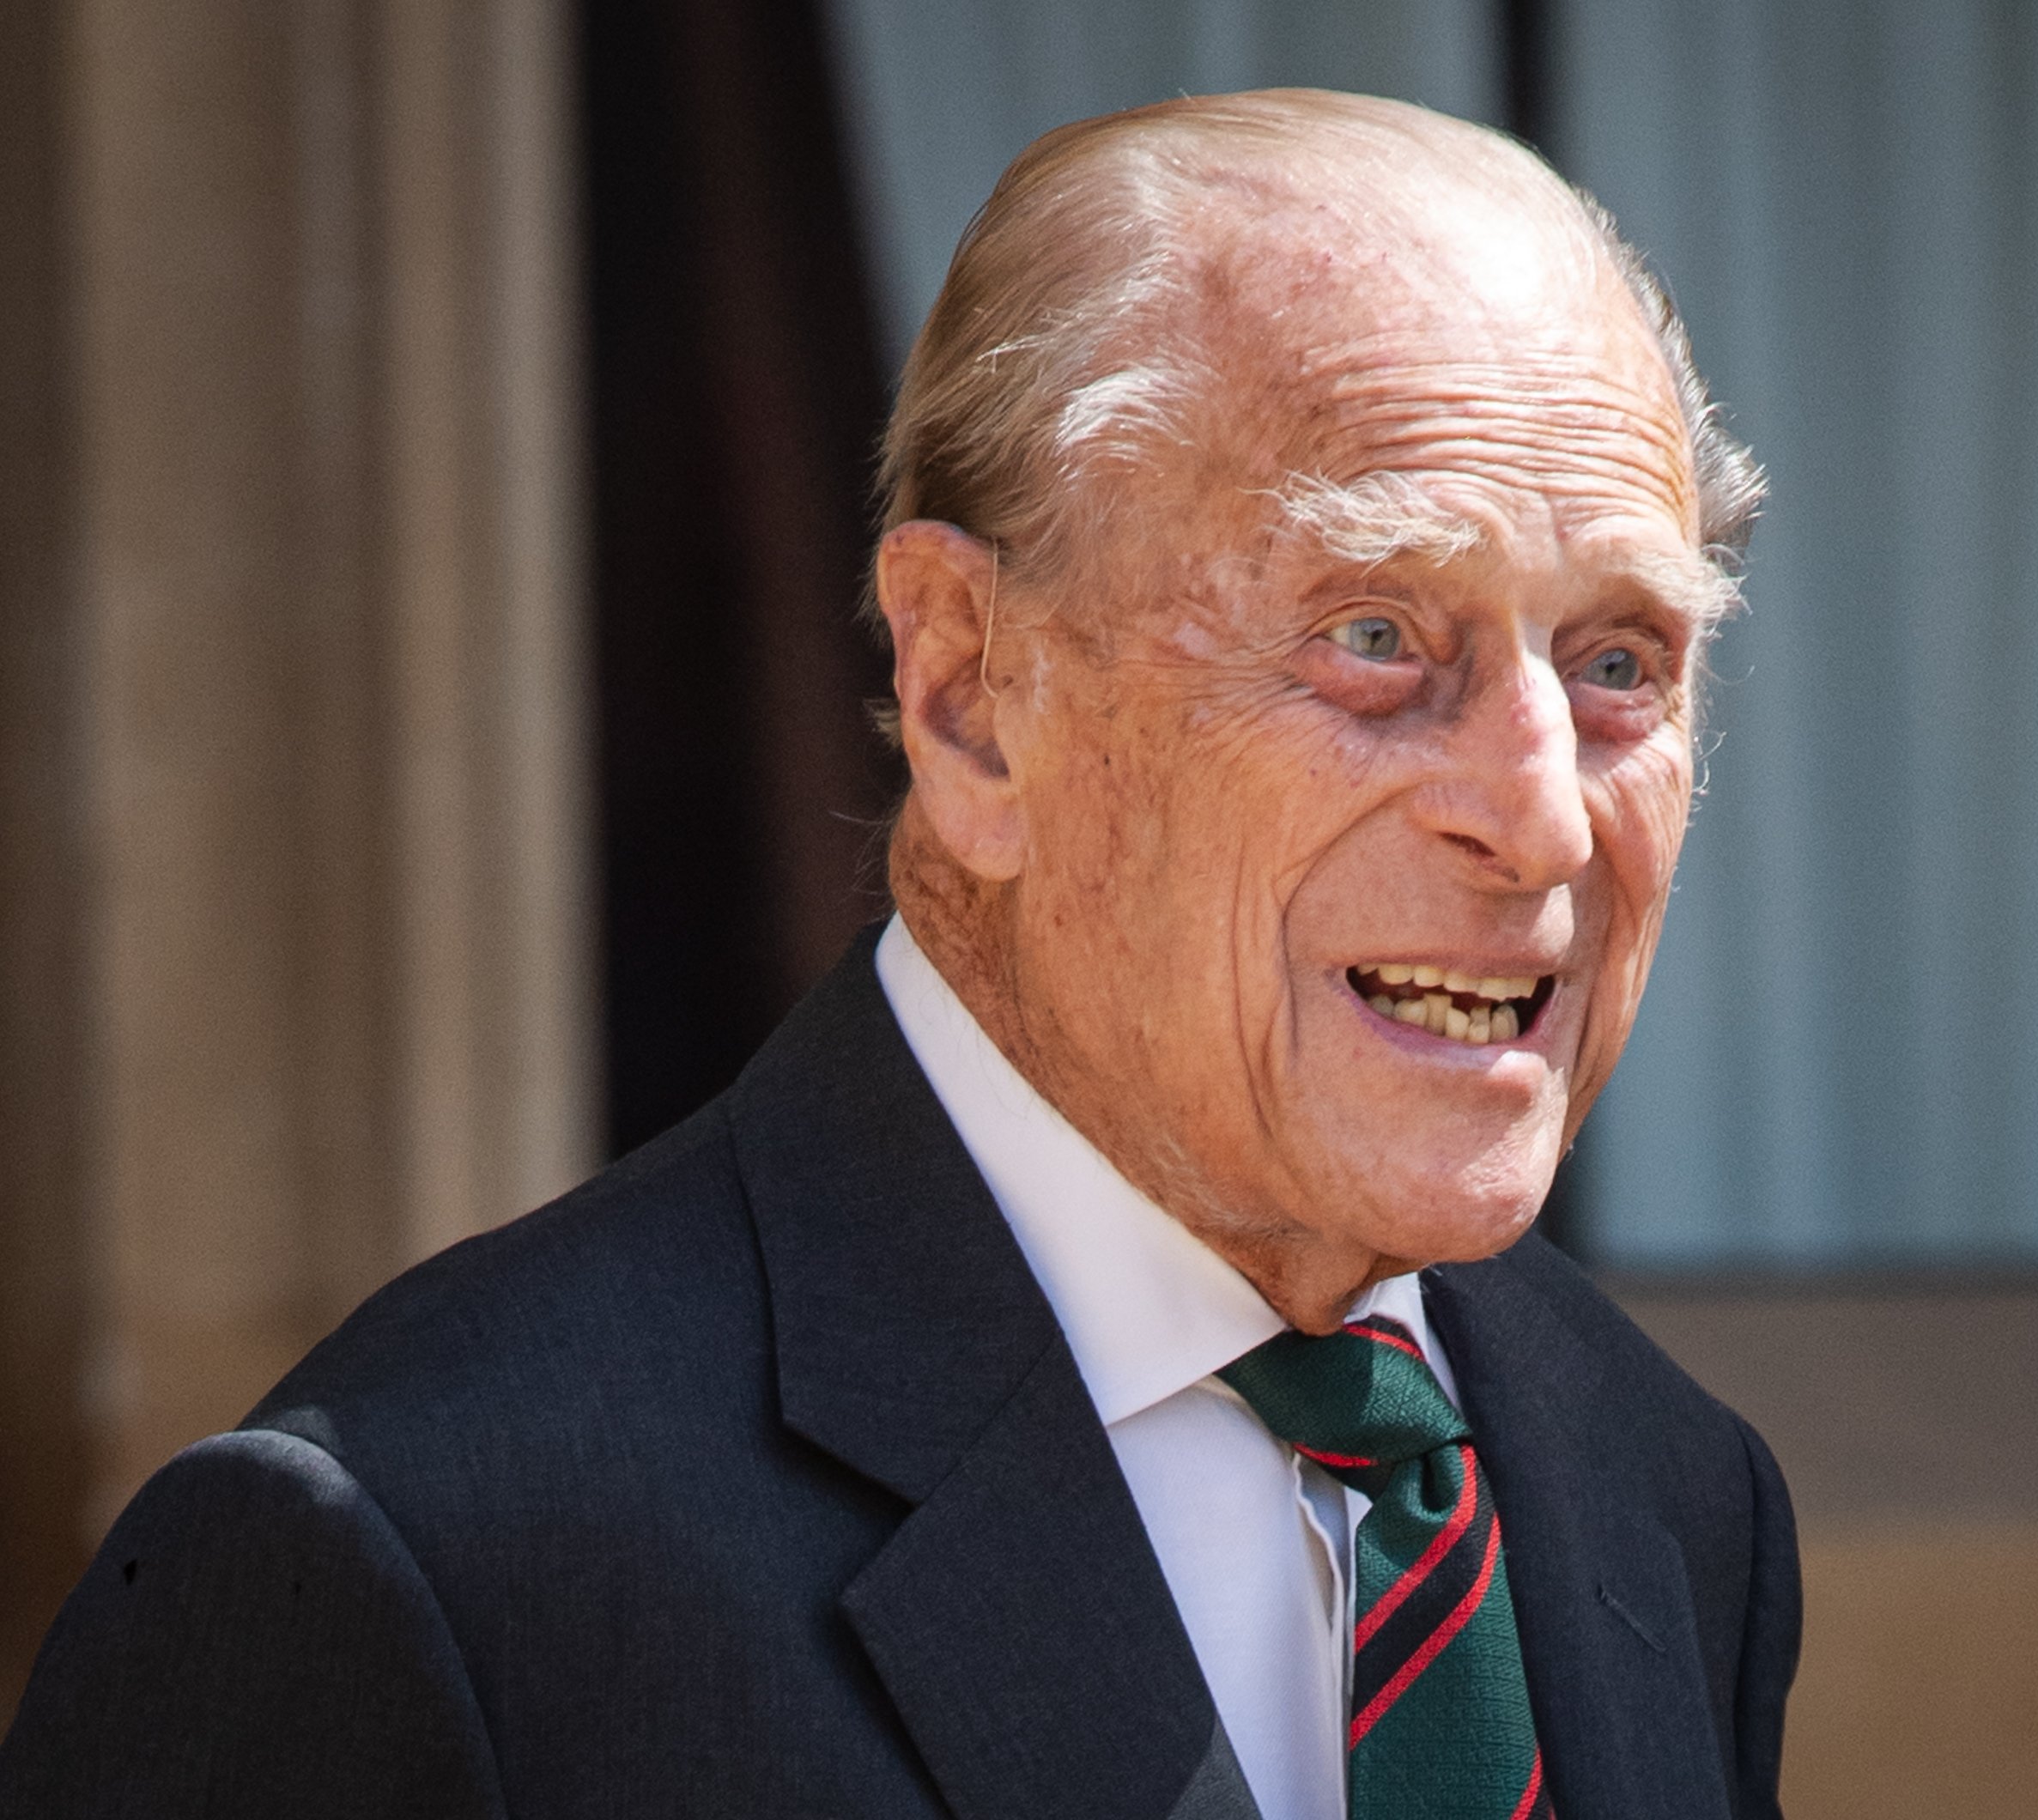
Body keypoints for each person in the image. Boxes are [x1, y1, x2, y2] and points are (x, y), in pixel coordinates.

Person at [0, 90, 1797, 1820]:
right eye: (1378, 633)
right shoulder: (421, 1566)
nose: (1547, 819)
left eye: (1620, 660)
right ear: (970, 697)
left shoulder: (1657, 1486)